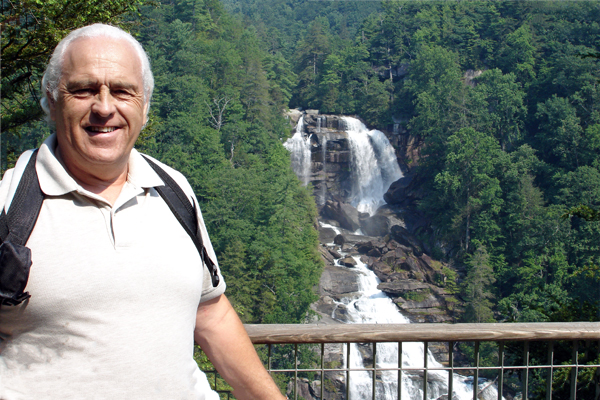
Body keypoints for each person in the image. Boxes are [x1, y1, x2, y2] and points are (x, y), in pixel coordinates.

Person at [0, 23, 286, 400]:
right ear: (52, 101)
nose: (104, 108)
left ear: (145, 105)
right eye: (84, 90)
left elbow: (211, 313)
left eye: (122, 91)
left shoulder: (174, 190)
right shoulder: (9, 205)